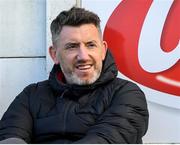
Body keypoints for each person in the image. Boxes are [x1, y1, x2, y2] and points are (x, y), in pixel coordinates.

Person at [0, 7, 149, 144]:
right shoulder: (30, 96)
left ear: (103, 50)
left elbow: (105, 141)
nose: (83, 56)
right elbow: (10, 137)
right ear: (54, 54)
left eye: (90, 45)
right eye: (72, 46)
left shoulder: (126, 94)